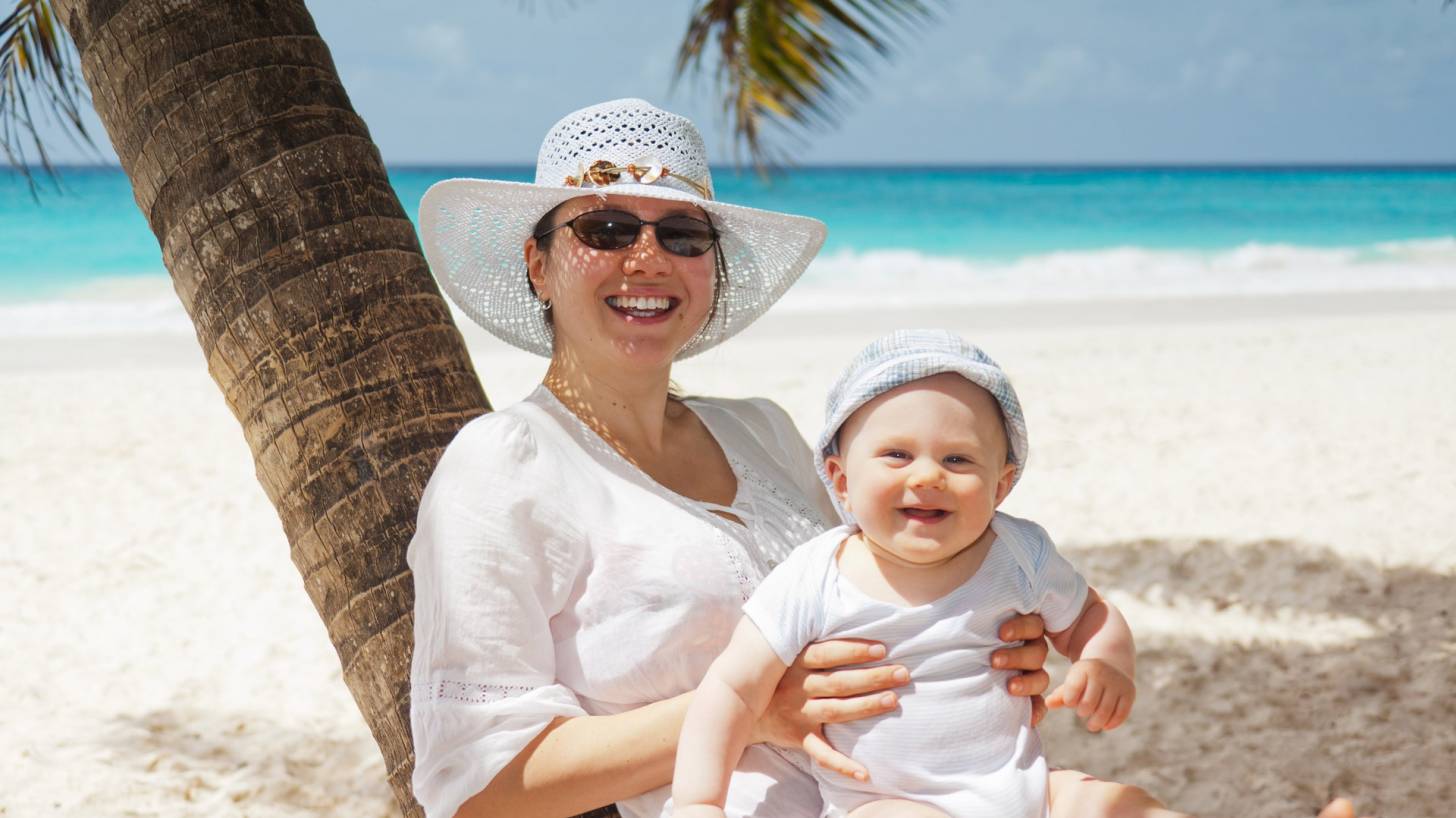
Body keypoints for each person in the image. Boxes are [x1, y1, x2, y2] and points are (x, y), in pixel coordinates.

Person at [407, 98, 1366, 818]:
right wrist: (753, 709)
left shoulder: (766, 431)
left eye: (683, 233)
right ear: (539, 263)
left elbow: (889, 584)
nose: (646, 257)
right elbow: (479, 786)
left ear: (710, 265)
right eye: (605, 229)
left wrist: (999, 637)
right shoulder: (504, 467)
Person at [671, 331, 1145, 818]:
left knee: (1129, 805)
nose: (927, 477)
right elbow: (731, 688)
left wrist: (1105, 661)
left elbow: (1091, 614)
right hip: (884, 804)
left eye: (957, 459)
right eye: (897, 455)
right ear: (841, 480)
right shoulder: (816, 576)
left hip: (1027, 791)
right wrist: (699, 801)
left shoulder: (1020, 553)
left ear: (1000, 485)